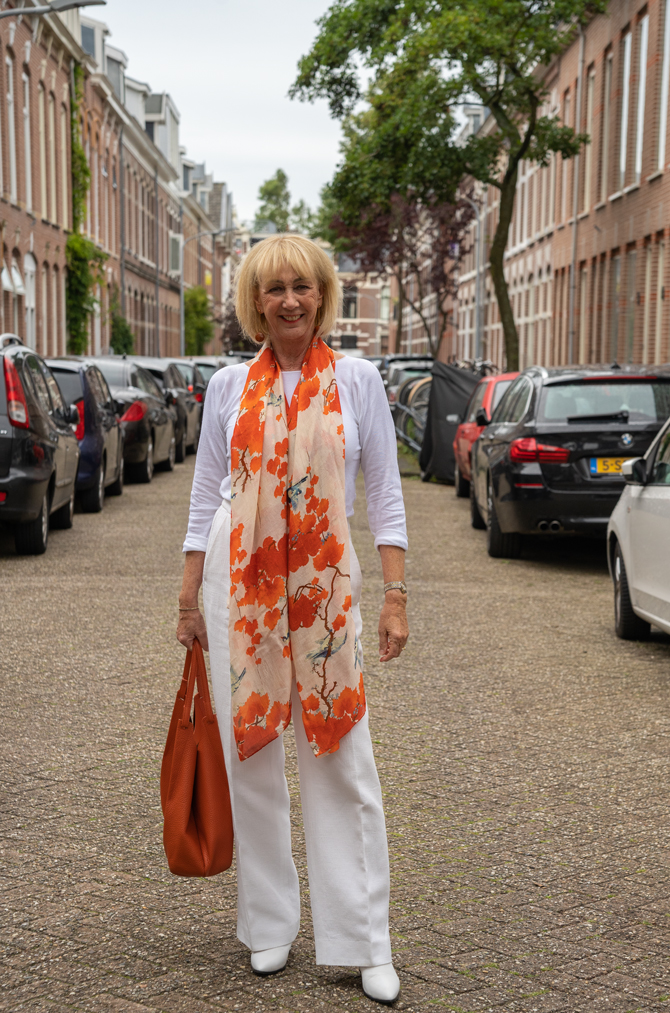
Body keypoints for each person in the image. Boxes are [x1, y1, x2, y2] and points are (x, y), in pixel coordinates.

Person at [177, 234, 408, 1004]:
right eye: (273, 288)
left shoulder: (357, 381)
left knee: (342, 756)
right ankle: (268, 923)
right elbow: (206, 491)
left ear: (321, 295)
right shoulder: (226, 387)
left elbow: (385, 492)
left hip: (323, 588)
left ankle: (363, 939)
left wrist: (395, 593)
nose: (289, 300)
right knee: (250, 757)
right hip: (236, 587)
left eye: (301, 286)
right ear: (255, 301)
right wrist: (187, 596)